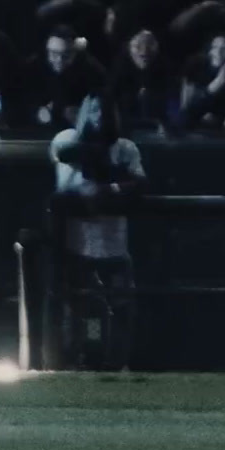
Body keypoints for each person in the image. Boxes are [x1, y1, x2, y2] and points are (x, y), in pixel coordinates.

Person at [50, 93, 146, 370]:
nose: (99, 118)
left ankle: (117, 364)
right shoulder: (66, 139)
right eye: (93, 111)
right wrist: (108, 187)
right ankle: (89, 362)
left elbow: (138, 187)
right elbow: (75, 185)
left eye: (105, 112)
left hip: (115, 245)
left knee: (123, 309)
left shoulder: (126, 148)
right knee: (89, 313)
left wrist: (110, 190)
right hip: (79, 247)